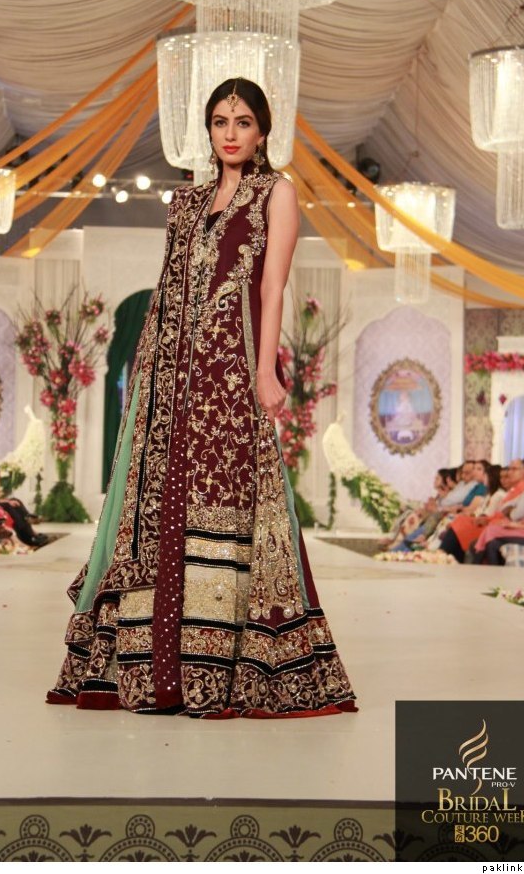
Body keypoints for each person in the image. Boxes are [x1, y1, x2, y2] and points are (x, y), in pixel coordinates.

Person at [47, 78, 357, 717]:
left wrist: (266, 371)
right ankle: (157, 668)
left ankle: (219, 666)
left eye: (243, 122)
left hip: (230, 374)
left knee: (226, 504)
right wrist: (148, 376)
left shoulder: (276, 193)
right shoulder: (185, 202)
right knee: (162, 507)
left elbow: (270, 289)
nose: (230, 133)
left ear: (263, 131)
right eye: (220, 121)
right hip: (170, 381)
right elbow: (168, 292)